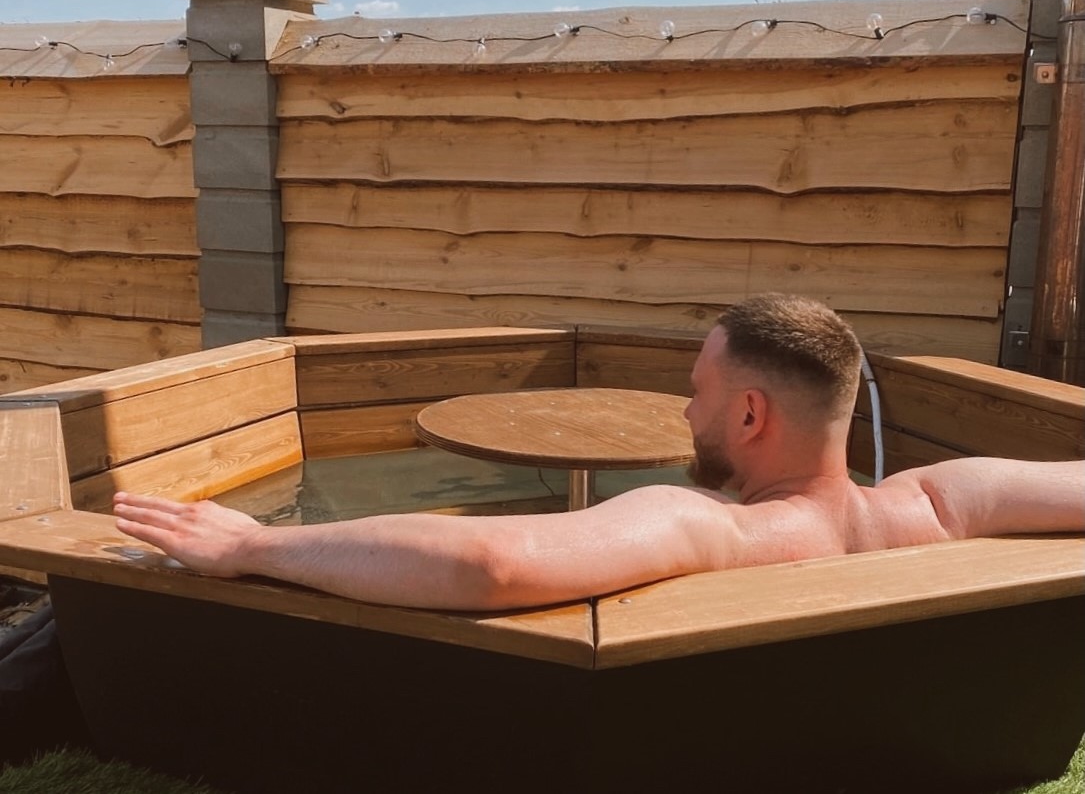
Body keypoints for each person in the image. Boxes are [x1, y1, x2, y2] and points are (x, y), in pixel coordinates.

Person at [113, 293, 1084, 612]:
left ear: (750, 415)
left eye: (698, 392)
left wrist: (254, 545)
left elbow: (493, 561)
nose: (685, 410)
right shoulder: (939, 502)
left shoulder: (714, 531)